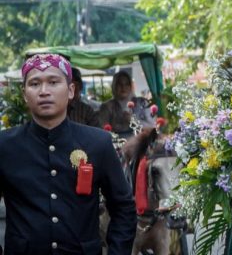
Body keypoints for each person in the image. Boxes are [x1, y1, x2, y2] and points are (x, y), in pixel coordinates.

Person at [0, 53, 136, 254]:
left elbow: (123, 207)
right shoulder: (5, 145)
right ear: (24, 94)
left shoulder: (97, 143)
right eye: (35, 84)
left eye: (53, 82)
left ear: (71, 90)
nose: (44, 91)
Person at [98, 71, 154, 137]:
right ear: (114, 86)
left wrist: (133, 120)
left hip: (141, 141)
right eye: (119, 84)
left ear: (131, 86)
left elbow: (152, 126)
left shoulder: (142, 102)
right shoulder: (107, 107)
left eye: (127, 84)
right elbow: (103, 131)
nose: (123, 87)